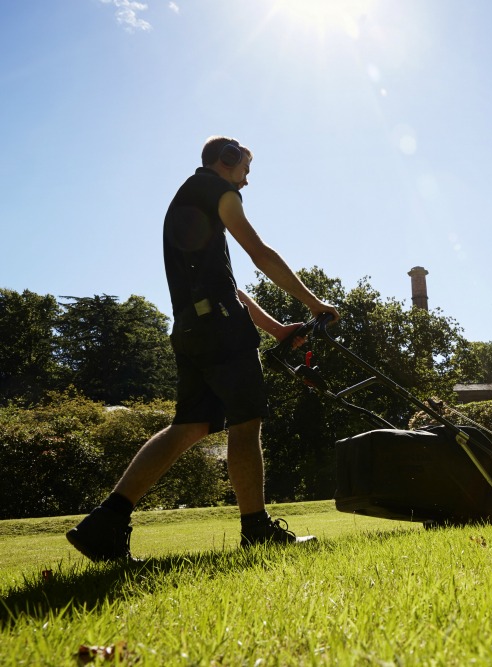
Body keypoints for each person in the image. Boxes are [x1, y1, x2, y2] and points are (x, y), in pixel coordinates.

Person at [66, 136, 340, 562]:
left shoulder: (189, 200)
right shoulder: (218, 191)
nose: (246, 182)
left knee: (190, 426)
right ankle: (257, 530)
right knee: (246, 422)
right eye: (245, 170)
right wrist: (314, 303)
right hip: (222, 330)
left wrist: (277, 330)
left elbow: (228, 287)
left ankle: (105, 522)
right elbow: (260, 253)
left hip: (194, 328)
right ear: (227, 161)